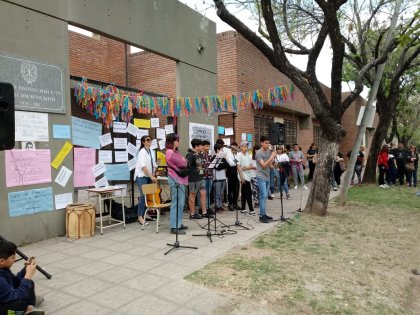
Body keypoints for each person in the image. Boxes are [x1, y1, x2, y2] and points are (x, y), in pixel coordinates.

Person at [0, 240, 44, 315]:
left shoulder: (3, 268)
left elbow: (15, 280)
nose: (15, 259)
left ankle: (29, 305)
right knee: (20, 305)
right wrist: (28, 276)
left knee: (28, 283)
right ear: (2, 261)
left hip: (5, 296)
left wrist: (25, 269)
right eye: (12, 257)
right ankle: (24, 311)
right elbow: (18, 296)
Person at [165, 134, 189, 234]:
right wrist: (184, 160)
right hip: (175, 179)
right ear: (172, 141)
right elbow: (183, 163)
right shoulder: (170, 152)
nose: (179, 142)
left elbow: (185, 161)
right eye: (177, 140)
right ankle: (174, 226)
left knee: (181, 203)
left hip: (180, 179)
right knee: (176, 202)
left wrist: (184, 160)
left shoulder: (175, 152)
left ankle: (178, 223)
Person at [186, 139, 213, 220]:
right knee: (192, 194)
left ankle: (204, 212)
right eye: (201, 145)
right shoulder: (190, 155)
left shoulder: (198, 154)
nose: (202, 147)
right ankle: (192, 214)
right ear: (197, 146)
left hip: (201, 177)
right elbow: (187, 166)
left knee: (203, 193)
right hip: (193, 178)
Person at [134, 135, 157, 226]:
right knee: (143, 196)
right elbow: (143, 167)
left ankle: (145, 214)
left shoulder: (151, 151)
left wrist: (155, 172)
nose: (149, 141)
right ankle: (140, 216)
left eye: (150, 139)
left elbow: (154, 164)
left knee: (147, 196)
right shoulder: (142, 152)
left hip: (148, 176)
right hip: (142, 176)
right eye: (147, 140)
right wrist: (151, 176)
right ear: (143, 142)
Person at [255, 136, 277, 223]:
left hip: (268, 176)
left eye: (269, 143)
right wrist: (271, 157)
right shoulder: (258, 153)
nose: (268, 145)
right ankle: (261, 216)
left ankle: (264, 214)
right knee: (263, 195)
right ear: (261, 143)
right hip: (261, 176)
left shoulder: (269, 151)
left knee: (265, 197)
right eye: (266, 143)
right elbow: (263, 165)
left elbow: (270, 166)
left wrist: (275, 163)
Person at [236, 141, 257, 215]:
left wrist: (250, 167)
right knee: (248, 192)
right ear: (241, 147)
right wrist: (241, 177)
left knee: (244, 192)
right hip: (243, 175)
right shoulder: (239, 155)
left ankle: (243, 208)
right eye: (244, 147)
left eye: (247, 147)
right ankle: (251, 209)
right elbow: (239, 167)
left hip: (248, 174)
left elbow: (249, 165)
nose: (246, 148)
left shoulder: (248, 154)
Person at [212, 143, 229, 212]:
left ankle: (221, 205)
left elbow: (227, 165)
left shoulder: (223, 158)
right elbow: (217, 167)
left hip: (223, 177)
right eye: (221, 149)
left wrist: (222, 164)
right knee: (217, 193)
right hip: (217, 178)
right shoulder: (213, 157)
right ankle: (217, 206)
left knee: (221, 193)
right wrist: (222, 165)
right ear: (217, 150)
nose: (222, 151)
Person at [225, 142, 240, 211]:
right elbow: (231, 164)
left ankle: (235, 203)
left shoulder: (235, 155)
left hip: (235, 173)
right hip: (230, 173)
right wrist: (236, 162)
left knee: (236, 189)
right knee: (230, 189)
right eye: (235, 149)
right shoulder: (228, 155)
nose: (236, 151)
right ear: (232, 149)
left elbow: (238, 162)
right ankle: (230, 204)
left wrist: (236, 162)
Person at [200, 140, 213, 212]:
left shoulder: (209, 155)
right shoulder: (200, 155)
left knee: (208, 192)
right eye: (207, 146)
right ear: (203, 146)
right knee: (202, 194)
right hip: (203, 177)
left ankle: (208, 207)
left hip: (209, 176)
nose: (208, 147)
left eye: (209, 146)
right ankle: (201, 208)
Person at [251, 144, 261, 209]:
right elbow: (248, 166)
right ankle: (256, 202)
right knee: (255, 190)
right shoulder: (251, 157)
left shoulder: (261, 157)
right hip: (253, 175)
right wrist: (254, 167)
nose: (257, 151)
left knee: (260, 189)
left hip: (260, 176)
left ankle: (260, 201)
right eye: (256, 150)